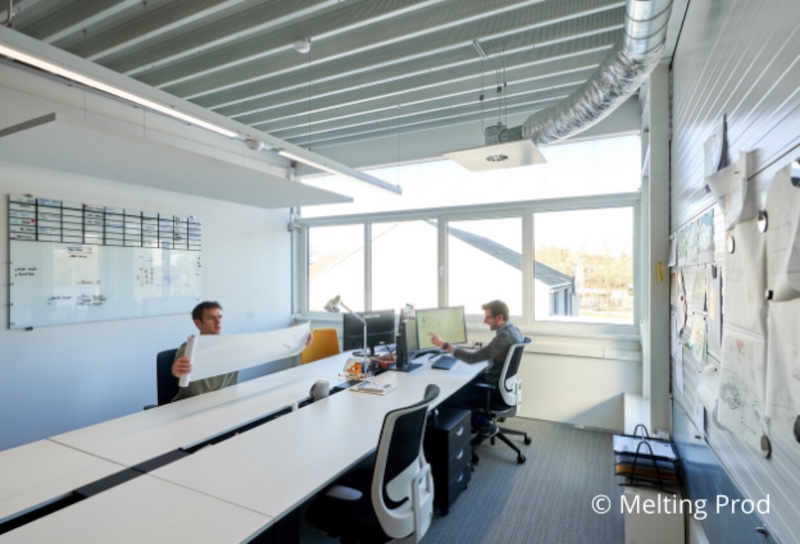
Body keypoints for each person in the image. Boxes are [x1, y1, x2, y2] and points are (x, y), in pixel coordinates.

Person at [429, 300, 524, 437]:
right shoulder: (514, 331)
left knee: (445, 395)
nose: (485, 321)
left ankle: (483, 423)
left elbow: (471, 358)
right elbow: (495, 352)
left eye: (487, 317)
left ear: (499, 317)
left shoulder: (503, 338)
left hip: (492, 388)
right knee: (459, 381)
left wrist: (444, 345)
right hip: (500, 384)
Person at [171, 301, 236, 402]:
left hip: (224, 402)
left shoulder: (231, 346)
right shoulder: (188, 348)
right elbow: (178, 368)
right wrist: (177, 369)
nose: (218, 321)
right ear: (198, 323)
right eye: (211, 318)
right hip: (192, 404)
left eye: (220, 317)